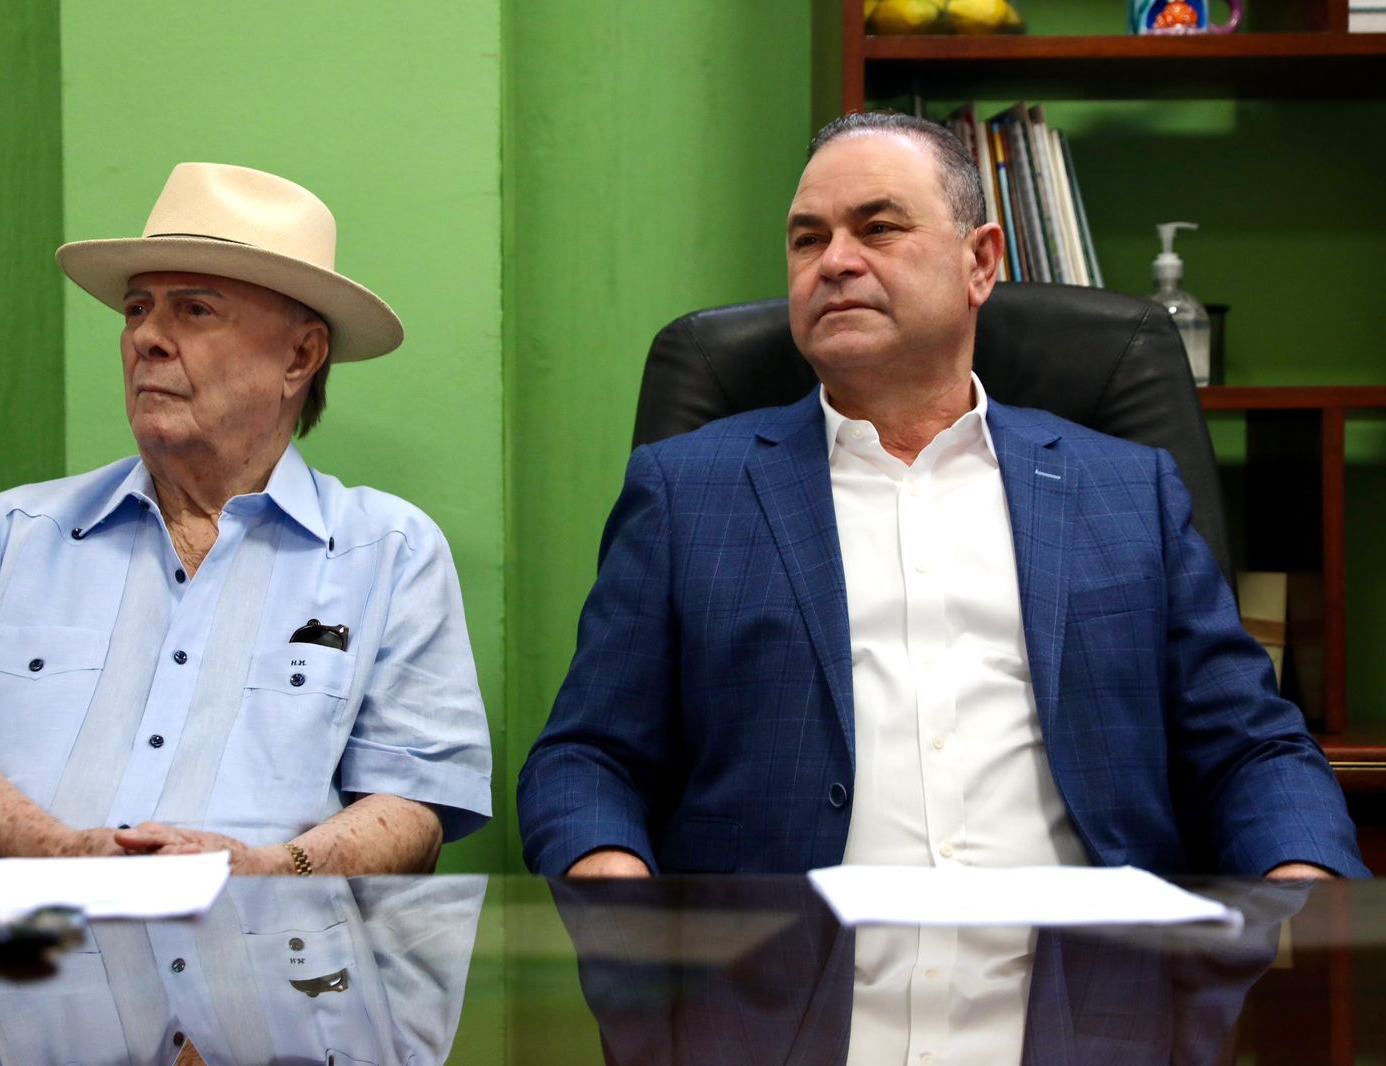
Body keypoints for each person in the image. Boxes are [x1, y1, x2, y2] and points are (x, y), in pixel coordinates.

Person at [517, 112, 1365, 883]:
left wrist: (1304, 893)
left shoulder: (1125, 489)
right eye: (808, 239)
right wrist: (617, 894)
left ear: (980, 263)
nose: (834, 261)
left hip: (1089, 971)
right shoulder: (687, 491)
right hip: (782, 973)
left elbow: (1253, 749)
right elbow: (587, 758)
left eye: (878, 228)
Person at [0, 162, 492, 875]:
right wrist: (64, 854)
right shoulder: (12, 533)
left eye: (195, 310)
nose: (147, 336)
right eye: (137, 309)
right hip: (13, 938)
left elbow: (414, 807)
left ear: (300, 356)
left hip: (260, 938)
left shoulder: (387, 553)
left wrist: (264, 871)